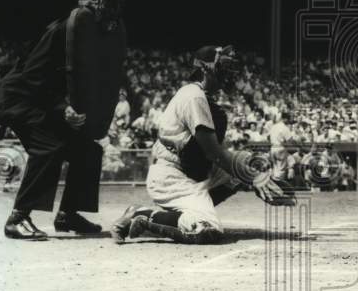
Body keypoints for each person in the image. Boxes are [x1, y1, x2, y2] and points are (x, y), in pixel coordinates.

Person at [112, 46, 290, 245]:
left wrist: (261, 181)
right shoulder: (194, 96)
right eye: (223, 66)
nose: (229, 72)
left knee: (244, 165)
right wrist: (254, 177)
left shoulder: (201, 96)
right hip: (172, 176)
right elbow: (214, 153)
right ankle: (142, 214)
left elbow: (218, 157)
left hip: (191, 171)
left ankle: (187, 213)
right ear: (205, 69)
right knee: (207, 230)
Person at [0, 0, 127, 240]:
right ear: (85, 8)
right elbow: (33, 76)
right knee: (50, 143)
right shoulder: (62, 30)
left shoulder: (93, 40)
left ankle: (68, 214)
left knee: (88, 149)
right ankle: (18, 218)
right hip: (20, 98)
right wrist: (61, 108)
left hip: (43, 101)